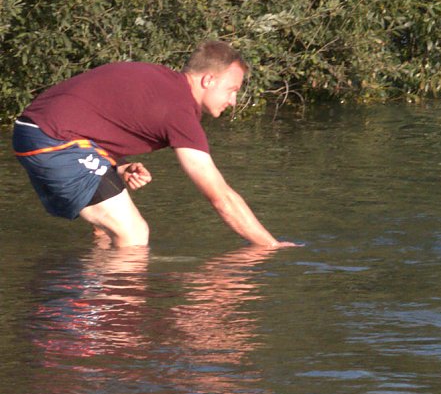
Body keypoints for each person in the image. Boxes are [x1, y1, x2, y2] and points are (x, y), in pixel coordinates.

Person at [12, 41, 298, 249]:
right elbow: (220, 196)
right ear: (209, 79)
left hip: (44, 132)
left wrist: (118, 165)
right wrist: (269, 246)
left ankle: (91, 305)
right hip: (53, 139)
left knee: (107, 230)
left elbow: (95, 114)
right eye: (232, 90)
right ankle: (111, 323)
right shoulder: (179, 110)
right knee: (135, 235)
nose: (234, 101)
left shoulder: (162, 83)